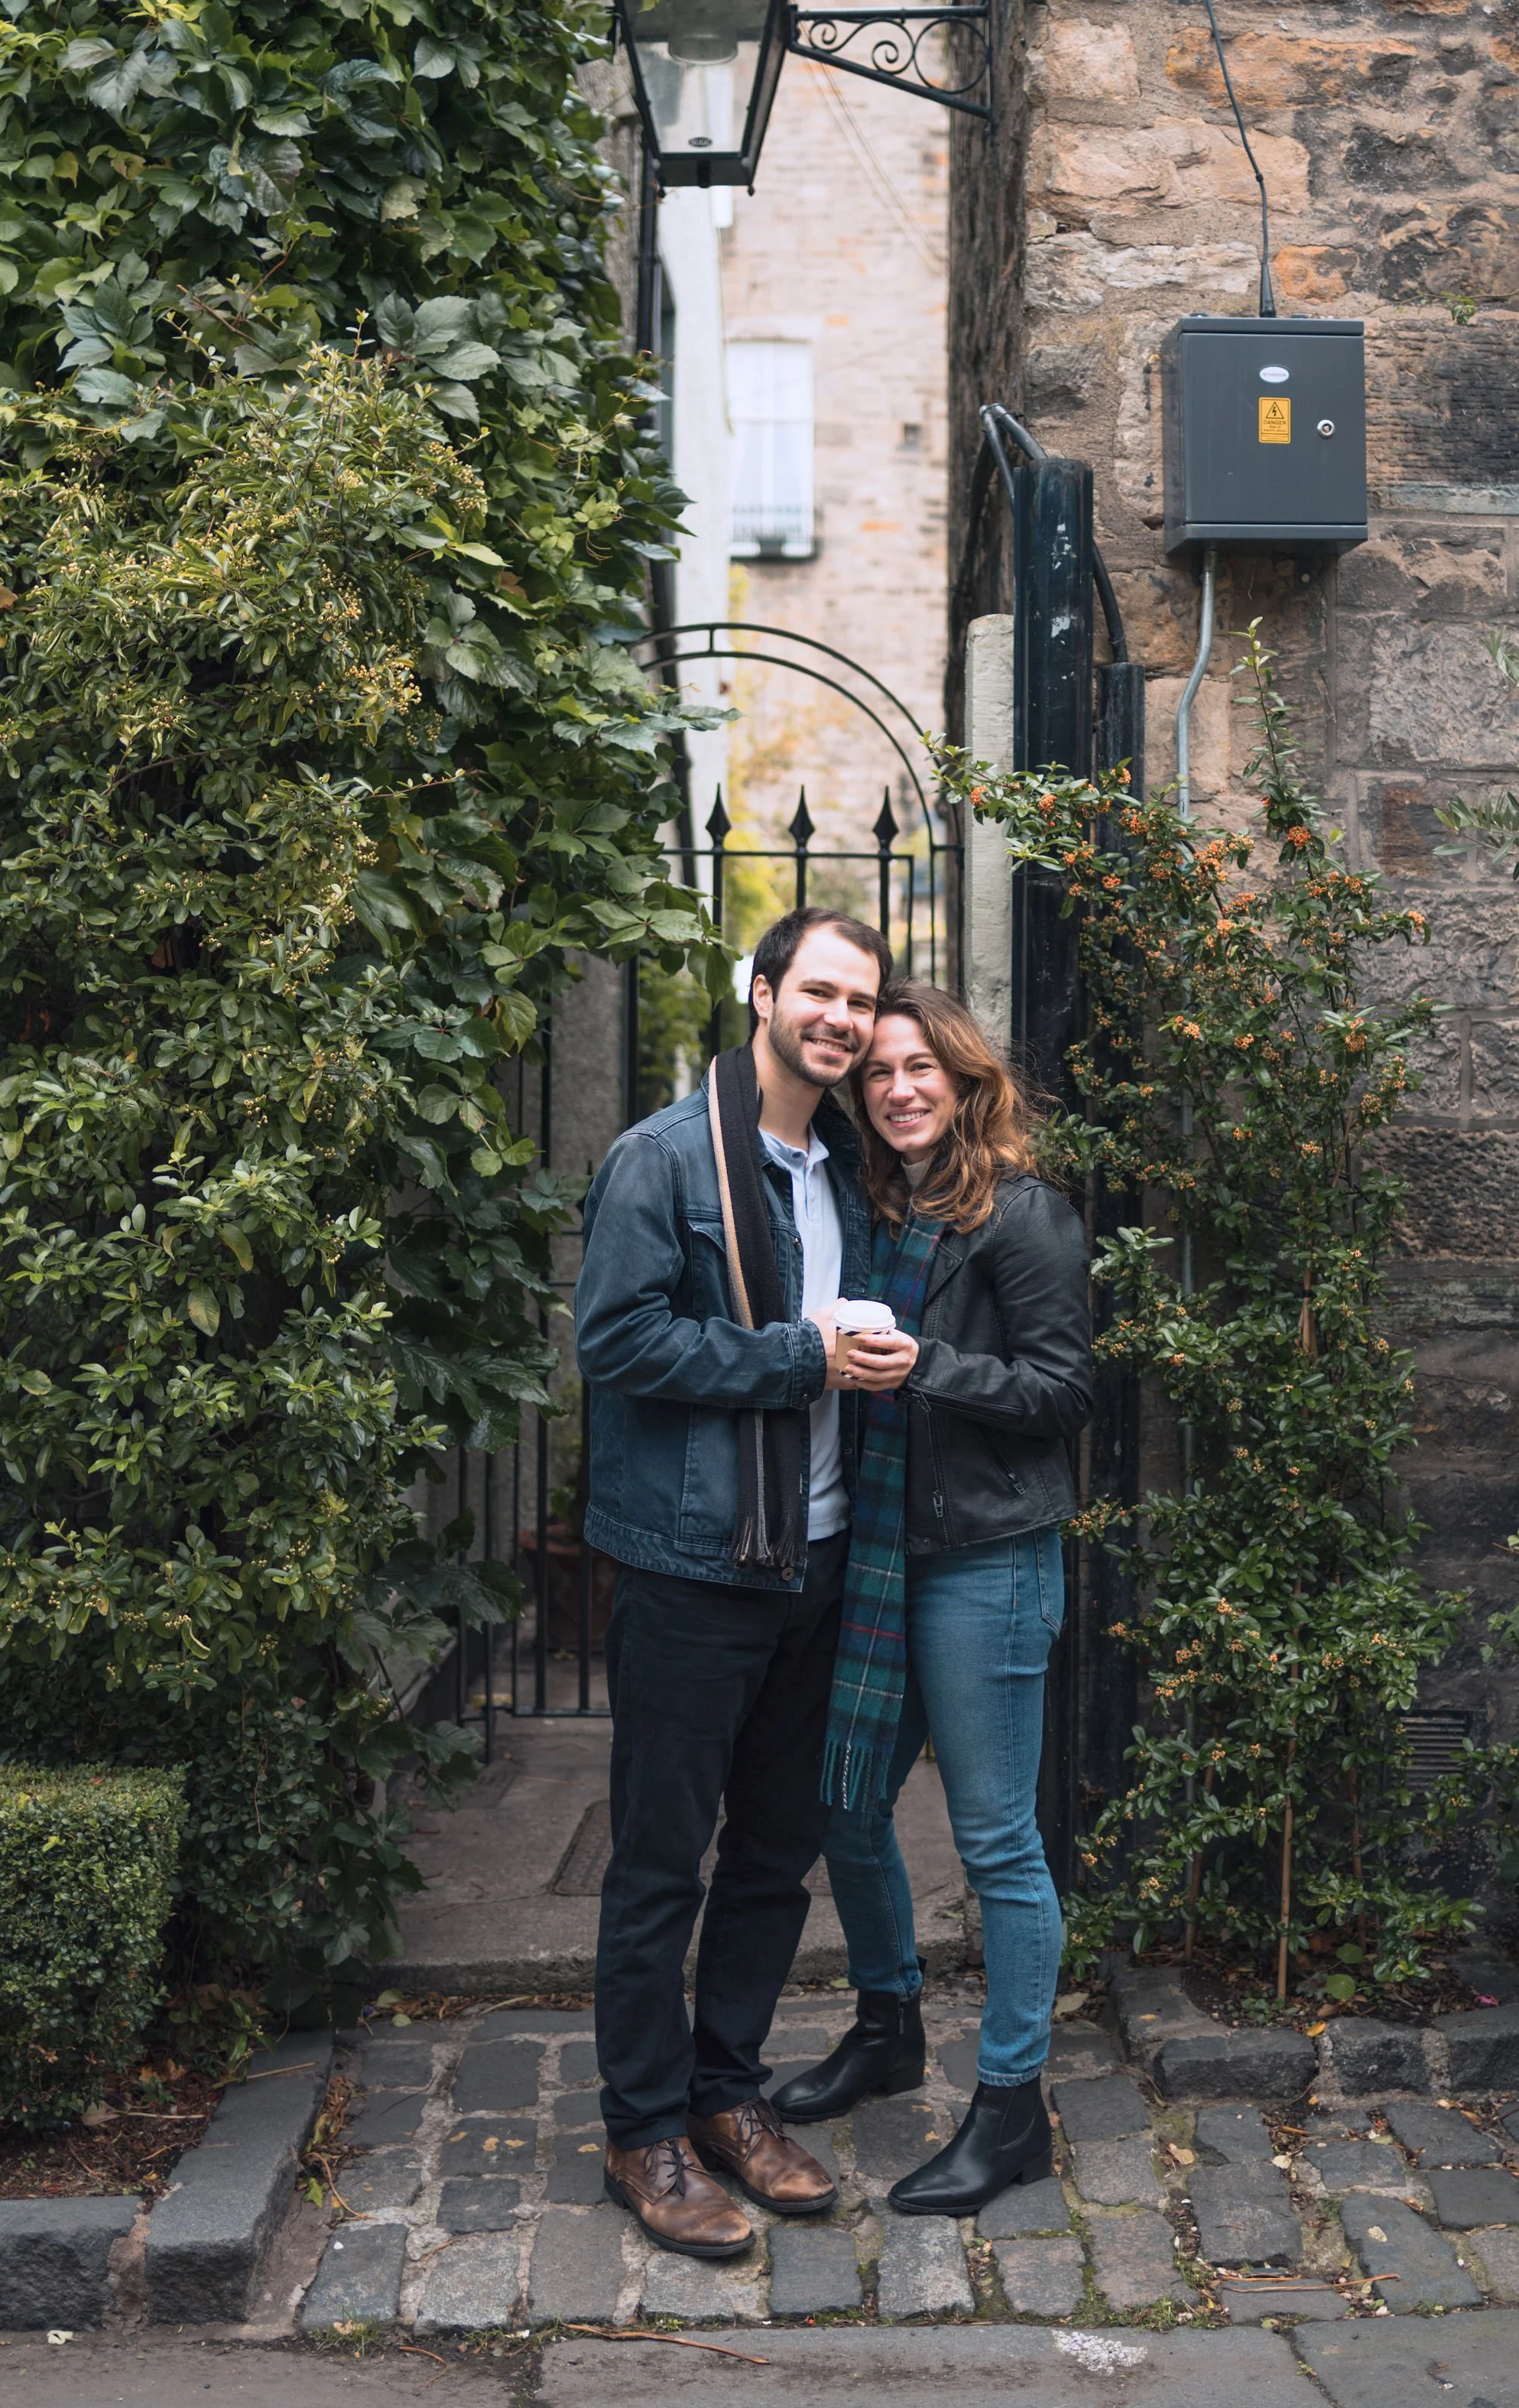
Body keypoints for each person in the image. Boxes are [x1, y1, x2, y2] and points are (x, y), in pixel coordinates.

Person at [573, 906, 903, 2261]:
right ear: (759, 994)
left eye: (857, 1003)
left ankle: (726, 2096)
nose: (837, 1018)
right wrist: (796, 1363)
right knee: (661, 1862)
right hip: (693, 1569)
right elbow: (618, 1340)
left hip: (817, 1560)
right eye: (816, 991)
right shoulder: (664, 1159)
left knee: (777, 1852)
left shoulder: (841, 1169)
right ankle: (643, 2129)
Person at [770, 982, 1094, 2213]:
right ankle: (889, 2024)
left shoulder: (1027, 1217)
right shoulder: (872, 1213)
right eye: (880, 1074)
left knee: (998, 1841)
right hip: (880, 1554)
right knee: (844, 1804)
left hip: (986, 1564)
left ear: (965, 1081)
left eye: (922, 1069)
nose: (899, 1089)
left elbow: (1064, 1395)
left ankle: (1012, 2107)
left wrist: (930, 1370)